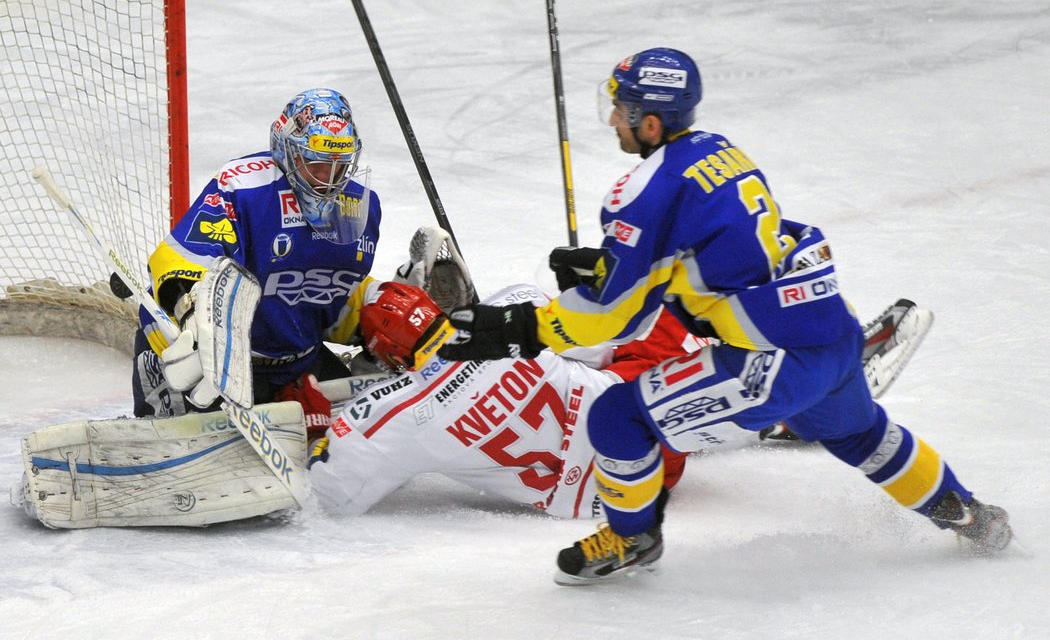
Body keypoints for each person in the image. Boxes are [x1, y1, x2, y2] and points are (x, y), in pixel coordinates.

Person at [439, 48, 1012, 584]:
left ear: (652, 123)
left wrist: (520, 328)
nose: (613, 118)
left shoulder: (644, 186)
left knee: (617, 418)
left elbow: (615, 318)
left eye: (622, 108)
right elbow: (709, 249)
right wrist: (611, 264)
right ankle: (967, 514)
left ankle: (631, 537)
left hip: (774, 358)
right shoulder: (719, 149)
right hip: (831, 332)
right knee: (862, 435)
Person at [309, 277, 927, 520]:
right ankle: (796, 394)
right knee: (665, 320)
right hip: (653, 443)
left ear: (388, 356)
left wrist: (315, 421)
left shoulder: (393, 416)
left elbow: (331, 491)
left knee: (648, 376)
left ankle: (786, 408)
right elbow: (606, 336)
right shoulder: (506, 308)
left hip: (604, 493)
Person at [132, 88, 382, 418]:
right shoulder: (244, 187)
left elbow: (323, 298)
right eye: (316, 165)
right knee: (190, 458)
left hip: (295, 363)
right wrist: (194, 322)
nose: (328, 180)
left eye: (340, 166)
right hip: (204, 359)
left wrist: (382, 311)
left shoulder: (359, 206)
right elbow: (180, 260)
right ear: (289, 152)